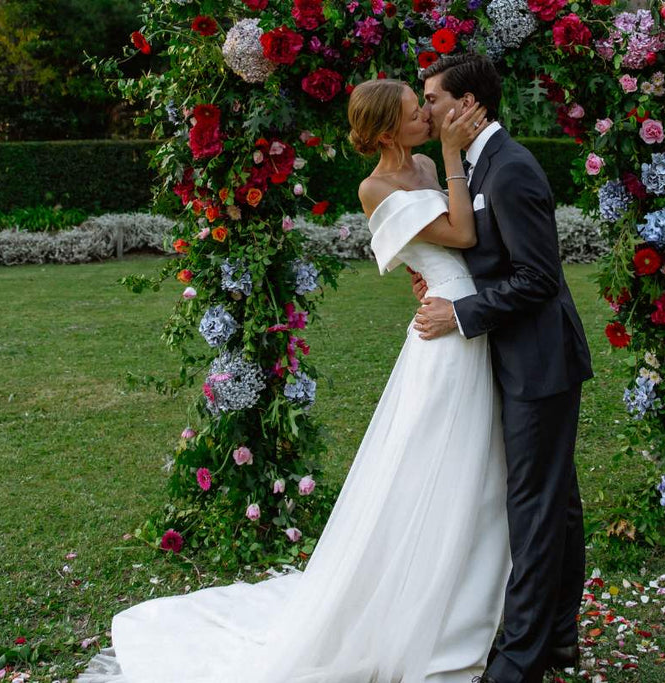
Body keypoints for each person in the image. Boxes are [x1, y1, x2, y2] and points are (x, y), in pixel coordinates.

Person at [78, 78, 513, 683]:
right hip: (445, 332)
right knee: (438, 453)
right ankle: (428, 602)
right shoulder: (376, 185)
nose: (429, 117)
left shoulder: (421, 163)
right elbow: (460, 234)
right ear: (388, 130)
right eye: (418, 114)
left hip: (464, 311)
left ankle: (467, 590)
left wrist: (440, 185)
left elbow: (456, 241)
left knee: (473, 457)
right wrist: (449, 164)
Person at [411, 54, 593, 683]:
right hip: (519, 356)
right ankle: (561, 637)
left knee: (534, 509)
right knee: (556, 504)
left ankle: (519, 661)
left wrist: (460, 314)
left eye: (432, 98)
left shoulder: (511, 169)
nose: (425, 109)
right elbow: (489, 255)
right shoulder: (478, 163)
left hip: (540, 361)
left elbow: (538, 280)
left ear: (467, 104)